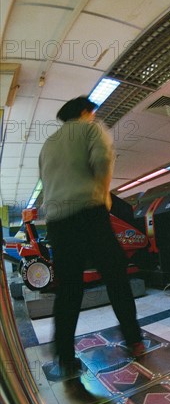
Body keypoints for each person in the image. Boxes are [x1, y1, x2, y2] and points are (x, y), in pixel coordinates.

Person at [39, 96, 145, 377]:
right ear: (86, 112)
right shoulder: (91, 128)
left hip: (58, 223)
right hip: (89, 214)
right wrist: (103, 197)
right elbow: (102, 160)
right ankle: (134, 340)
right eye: (92, 112)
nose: (94, 116)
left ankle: (65, 357)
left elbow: (46, 183)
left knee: (69, 289)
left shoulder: (48, 144)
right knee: (116, 277)